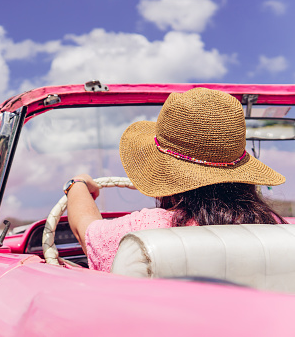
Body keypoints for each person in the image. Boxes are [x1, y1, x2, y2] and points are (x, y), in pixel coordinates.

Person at [65, 88, 287, 272]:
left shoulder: (146, 231)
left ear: (166, 175)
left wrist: (78, 185)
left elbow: (86, 233)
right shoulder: (275, 227)